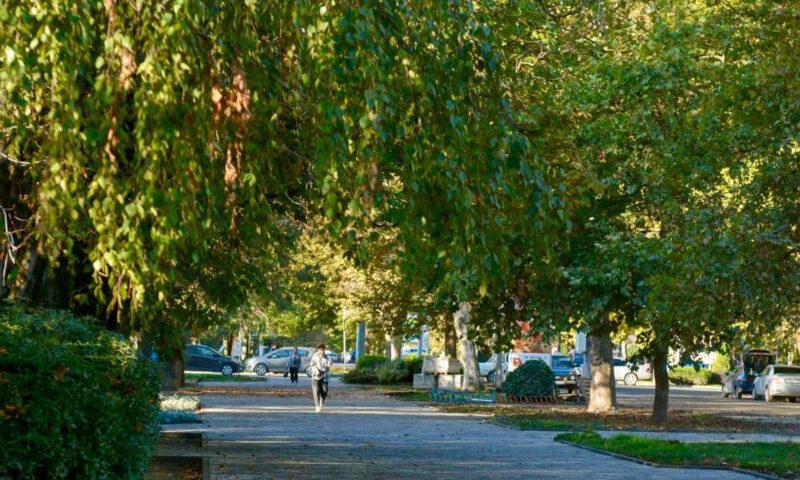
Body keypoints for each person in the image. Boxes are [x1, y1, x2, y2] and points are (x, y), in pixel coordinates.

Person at [309, 344, 332, 412]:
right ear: (318, 350)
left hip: (324, 377)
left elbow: (330, 363)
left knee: (324, 391)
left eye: (323, 349)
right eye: (320, 349)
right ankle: (317, 406)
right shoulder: (314, 356)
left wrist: (327, 364)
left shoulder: (327, 357)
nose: (321, 351)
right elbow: (312, 365)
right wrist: (316, 370)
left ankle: (321, 402)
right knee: (316, 392)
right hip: (316, 377)